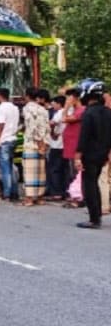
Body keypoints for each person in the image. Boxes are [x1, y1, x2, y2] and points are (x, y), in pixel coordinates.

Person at [74, 80, 111, 229]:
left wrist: (77, 156)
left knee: (89, 185)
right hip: (102, 154)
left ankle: (94, 219)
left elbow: (84, 137)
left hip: (89, 154)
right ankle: (97, 216)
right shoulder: (108, 112)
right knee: (95, 183)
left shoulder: (88, 113)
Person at [21, 87, 51, 207]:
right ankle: (40, 197)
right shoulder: (43, 109)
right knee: (40, 172)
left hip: (32, 143)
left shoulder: (28, 108)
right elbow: (46, 127)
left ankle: (29, 198)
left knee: (29, 172)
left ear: (27, 96)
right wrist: (44, 144)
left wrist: (38, 143)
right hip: (43, 143)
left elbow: (33, 126)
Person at [0, 88, 21, 201]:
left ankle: (6, 193)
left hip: (3, 141)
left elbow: (0, 126)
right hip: (13, 139)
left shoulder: (1, 109)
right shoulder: (15, 108)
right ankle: (14, 192)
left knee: (5, 169)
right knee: (11, 167)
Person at [63, 88, 85, 188]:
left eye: (69, 98)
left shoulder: (82, 110)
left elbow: (64, 119)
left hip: (76, 146)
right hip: (71, 146)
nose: (67, 100)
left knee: (77, 172)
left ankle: (79, 195)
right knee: (72, 171)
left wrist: (66, 107)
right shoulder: (75, 110)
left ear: (75, 98)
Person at [47, 96, 67, 200]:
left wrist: (52, 133)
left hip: (57, 145)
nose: (52, 105)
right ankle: (63, 191)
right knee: (63, 169)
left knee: (54, 169)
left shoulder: (60, 113)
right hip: (65, 145)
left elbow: (51, 123)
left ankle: (56, 193)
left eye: (54, 103)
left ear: (59, 104)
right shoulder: (69, 111)